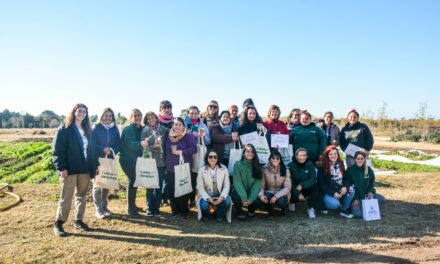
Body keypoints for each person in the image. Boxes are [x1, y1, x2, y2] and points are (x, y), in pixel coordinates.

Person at [52, 103, 93, 237]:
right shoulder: (64, 129)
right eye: (79, 111)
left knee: (81, 196)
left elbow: (91, 150)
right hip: (69, 170)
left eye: (84, 112)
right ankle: (59, 223)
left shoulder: (87, 129)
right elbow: (58, 150)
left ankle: (78, 220)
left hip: (84, 169)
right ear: (74, 112)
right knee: (66, 197)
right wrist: (61, 168)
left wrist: (93, 167)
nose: (82, 113)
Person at [89, 107, 121, 219]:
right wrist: (102, 149)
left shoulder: (115, 129)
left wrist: (112, 151)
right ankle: (98, 210)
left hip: (110, 160)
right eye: (106, 115)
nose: (108, 117)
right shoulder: (95, 128)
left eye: (110, 115)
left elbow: (118, 145)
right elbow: (92, 144)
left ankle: (104, 207)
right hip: (98, 160)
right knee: (98, 185)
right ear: (101, 116)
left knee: (107, 184)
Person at [164, 117, 197, 218]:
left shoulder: (188, 135)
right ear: (172, 126)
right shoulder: (167, 136)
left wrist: (181, 152)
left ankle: (184, 211)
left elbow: (194, 149)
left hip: (183, 166)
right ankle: (175, 210)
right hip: (170, 167)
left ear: (183, 125)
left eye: (179, 124)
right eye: (175, 124)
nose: (177, 126)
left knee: (183, 188)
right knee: (172, 189)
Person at [120, 109, 148, 217]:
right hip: (127, 160)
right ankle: (130, 208)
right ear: (131, 117)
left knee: (135, 181)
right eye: (135, 115)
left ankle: (133, 205)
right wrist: (140, 144)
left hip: (135, 159)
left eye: (139, 115)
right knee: (132, 180)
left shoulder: (139, 128)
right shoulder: (128, 129)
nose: (137, 117)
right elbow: (130, 144)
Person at [140, 111, 169, 218]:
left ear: (157, 118)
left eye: (153, 118)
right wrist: (153, 147)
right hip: (150, 162)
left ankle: (156, 209)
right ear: (146, 121)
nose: (151, 120)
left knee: (159, 186)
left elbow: (173, 133)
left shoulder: (163, 130)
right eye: (148, 119)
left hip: (161, 162)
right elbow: (143, 147)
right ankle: (149, 209)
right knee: (150, 187)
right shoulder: (145, 131)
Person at [184, 105, 211, 207]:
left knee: (195, 176)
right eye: (191, 113)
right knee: (186, 176)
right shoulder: (184, 125)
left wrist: (203, 137)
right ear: (188, 114)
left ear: (198, 114)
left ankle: (193, 199)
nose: (193, 115)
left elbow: (209, 141)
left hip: (198, 154)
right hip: (186, 153)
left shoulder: (202, 126)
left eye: (195, 113)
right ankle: (185, 198)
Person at [317, 145, 354, 218]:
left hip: (339, 188)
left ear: (338, 155)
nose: (333, 156)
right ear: (327, 155)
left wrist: (345, 187)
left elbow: (346, 178)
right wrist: (333, 193)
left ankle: (344, 209)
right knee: (335, 204)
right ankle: (323, 205)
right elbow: (322, 185)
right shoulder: (322, 167)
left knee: (352, 190)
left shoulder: (340, 164)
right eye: (331, 154)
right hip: (327, 191)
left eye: (335, 154)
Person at [346, 151, 385, 219]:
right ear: (355, 159)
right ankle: (356, 206)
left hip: (366, 197)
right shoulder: (350, 170)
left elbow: (371, 183)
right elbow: (348, 186)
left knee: (381, 198)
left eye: (362, 158)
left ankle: (366, 206)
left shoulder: (368, 170)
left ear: (364, 159)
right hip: (356, 198)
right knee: (359, 215)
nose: (360, 160)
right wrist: (354, 198)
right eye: (358, 158)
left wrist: (371, 192)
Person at [196, 150, 232, 222]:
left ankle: (218, 214)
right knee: (204, 205)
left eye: (215, 157)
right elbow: (200, 187)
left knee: (227, 201)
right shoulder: (201, 170)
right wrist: (208, 198)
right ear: (207, 158)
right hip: (207, 195)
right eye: (210, 157)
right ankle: (207, 214)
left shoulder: (224, 168)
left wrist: (221, 198)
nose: (213, 159)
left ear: (218, 158)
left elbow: (227, 185)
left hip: (219, 194)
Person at [230, 144, 263, 220]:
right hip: (239, 191)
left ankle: (251, 210)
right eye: (247, 151)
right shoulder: (237, 165)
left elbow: (257, 185)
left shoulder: (258, 167)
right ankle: (239, 211)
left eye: (252, 152)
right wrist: (244, 197)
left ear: (254, 154)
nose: (250, 153)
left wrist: (251, 198)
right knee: (236, 197)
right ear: (243, 153)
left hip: (251, 191)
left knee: (259, 201)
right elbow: (237, 182)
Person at [255, 151, 291, 216]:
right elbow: (261, 185)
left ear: (280, 160)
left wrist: (275, 197)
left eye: (277, 159)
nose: (275, 160)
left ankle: (284, 209)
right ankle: (269, 209)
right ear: (270, 159)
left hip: (281, 191)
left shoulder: (285, 169)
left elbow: (287, 187)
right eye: (273, 158)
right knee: (264, 198)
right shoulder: (264, 169)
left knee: (281, 202)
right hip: (269, 190)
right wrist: (261, 195)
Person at [288, 148, 320, 219]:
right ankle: (292, 202)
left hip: (305, 187)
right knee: (291, 197)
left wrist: (302, 185)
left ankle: (310, 208)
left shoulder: (310, 164)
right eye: (300, 155)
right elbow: (289, 182)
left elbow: (313, 179)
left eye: (304, 155)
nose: (302, 157)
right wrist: (298, 193)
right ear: (296, 156)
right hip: (294, 189)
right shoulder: (290, 166)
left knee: (315, 188)